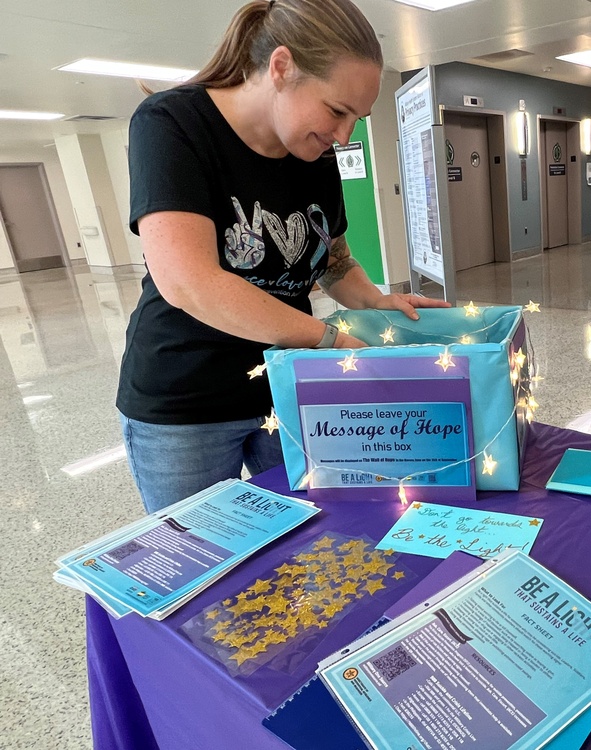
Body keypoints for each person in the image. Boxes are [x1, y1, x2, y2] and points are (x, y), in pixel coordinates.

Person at [118, 0, 448, 514]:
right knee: (205, 563)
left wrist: (378, 302)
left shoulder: (313, 154)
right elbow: (187, 281)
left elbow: (331, 262)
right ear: (281, 67)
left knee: (316, 533)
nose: (344, 136)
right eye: (337, 111)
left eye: (356, 120)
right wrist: (328, 338)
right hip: (185, 404)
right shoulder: (172, 124)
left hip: (288, 391)